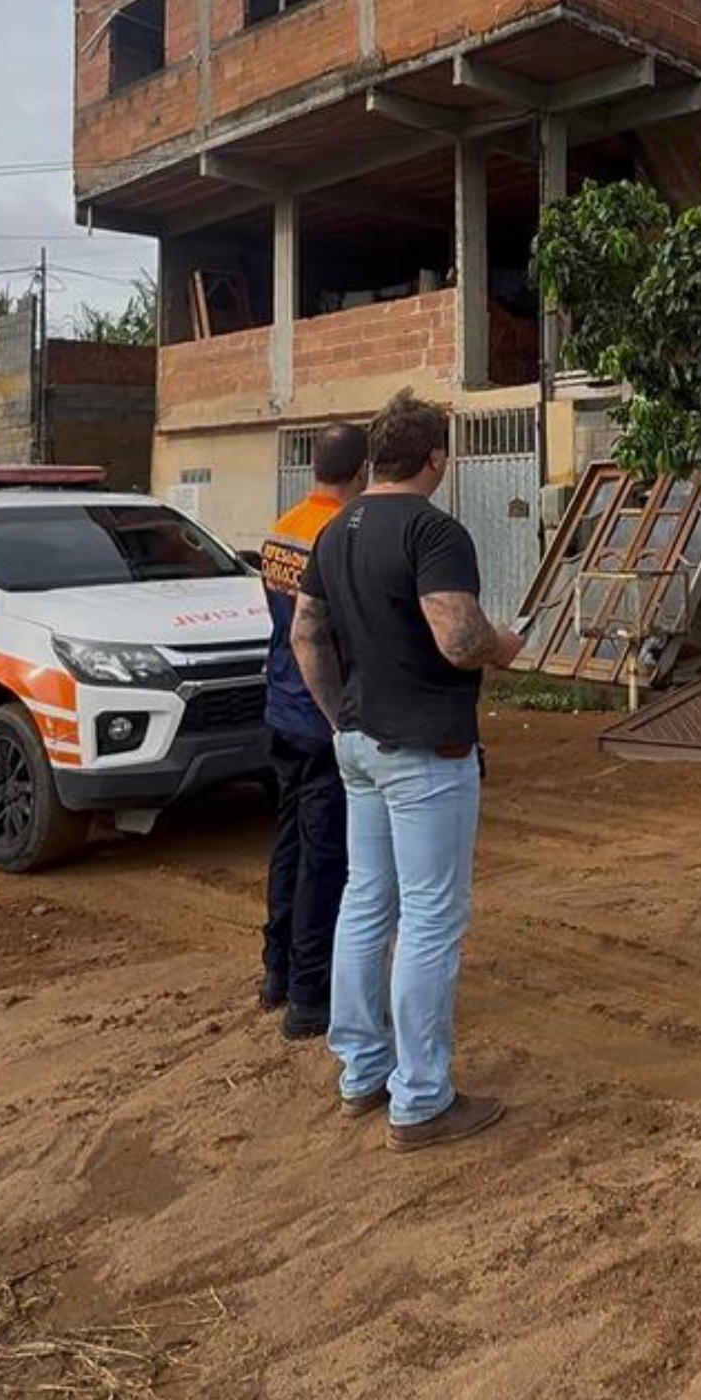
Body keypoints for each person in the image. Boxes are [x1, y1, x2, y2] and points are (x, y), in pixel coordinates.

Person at [290, 389, 521, 1150]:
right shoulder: (433, 529)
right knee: (430, 920)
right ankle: (421, 1100)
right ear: (435, 459)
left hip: (358, 745)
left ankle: (362, 1072)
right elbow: (458, 639)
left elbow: (305, 636)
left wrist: (337, 720)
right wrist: (505, 646)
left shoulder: (334, 530)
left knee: (366, 903)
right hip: (427, 750)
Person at [257, 420, 369, 1040]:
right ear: (362, 473)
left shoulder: (284, 526)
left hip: (279, 706)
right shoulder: (337, 536)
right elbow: (329, 633)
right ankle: (308, 997)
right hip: (319, 712)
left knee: (288, 847)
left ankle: (275, 972)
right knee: (325, 861)